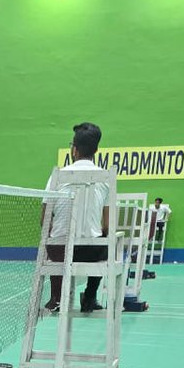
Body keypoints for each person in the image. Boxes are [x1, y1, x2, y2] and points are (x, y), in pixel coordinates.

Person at [43, 121, 109, 314]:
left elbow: (44, 219)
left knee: (55, 238)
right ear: (96, 149)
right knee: (104, 241)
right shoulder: (106, 178)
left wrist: (52, 239)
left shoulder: (58, 175)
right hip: (90, 252)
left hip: (60, 251)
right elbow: (108, 226)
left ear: (74, 149)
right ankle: (89, 297)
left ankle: (56, 297)